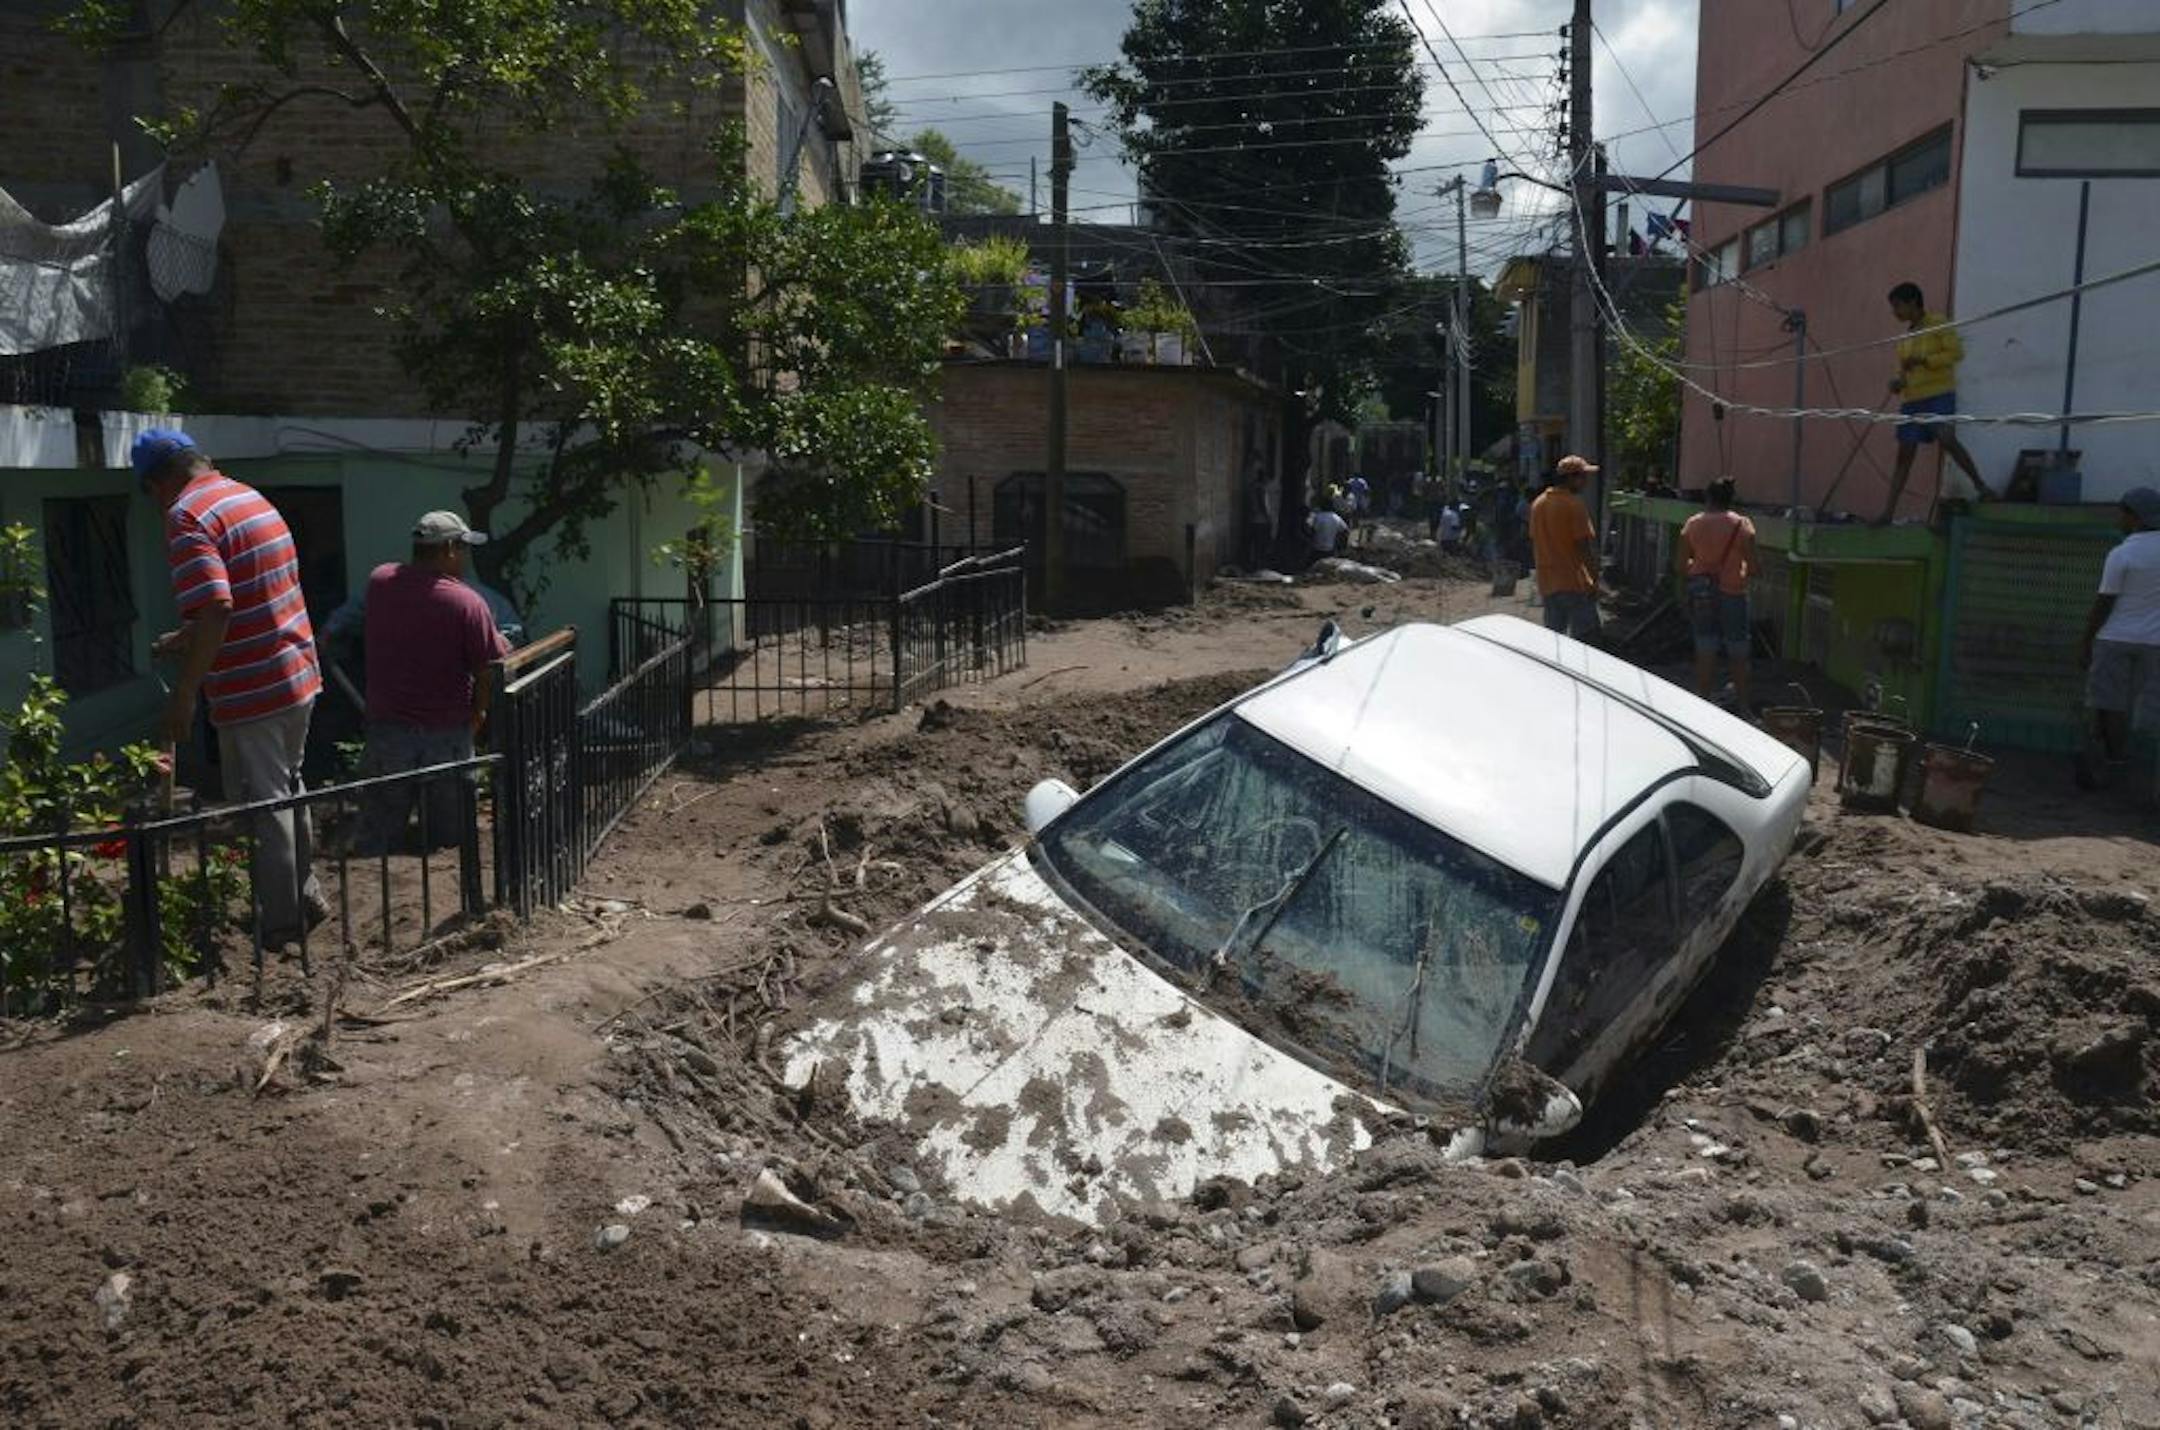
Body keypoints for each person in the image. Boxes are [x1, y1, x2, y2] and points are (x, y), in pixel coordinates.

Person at [138, 428, 327, 947]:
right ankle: (306, 893)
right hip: (296, 670)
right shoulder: (248, 496)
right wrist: (189, 635)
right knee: (289, 786)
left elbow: (220, 606)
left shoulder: (187, 517)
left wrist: (184, 695)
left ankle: (282, 925)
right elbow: (245, 593)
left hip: (254, 684)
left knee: (264, 806)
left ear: (158, 483)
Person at [356, 511, 513, 853]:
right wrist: (479, 713)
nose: (467, 558)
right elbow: (486, 668)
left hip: (387, 729)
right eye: (464, 549)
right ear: (449, 550)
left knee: (378, 835)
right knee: (450, 838)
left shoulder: (381, 583)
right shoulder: (466, 602)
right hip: (445, 731)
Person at [1880, 281, 1991, 524]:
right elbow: (1902, 374)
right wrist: (1897, 384)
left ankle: (1981, 486)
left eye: (1898, 306)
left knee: (1946, 438)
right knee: (1904, 456)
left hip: (1939, 394)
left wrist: (1924, 360)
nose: (1895, 312)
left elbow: (1955, 354)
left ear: (1912, 303)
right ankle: (1888, 512)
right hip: (1912, 400)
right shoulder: (1904, 340)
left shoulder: (1939, 324)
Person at [2075, 487, 2160, 791]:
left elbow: (2103, 603)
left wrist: (2086, 641)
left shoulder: (2122, 553)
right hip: (2155, 644)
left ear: (2133, 516)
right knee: (2149, 708)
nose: (2118, 518)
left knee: (2108, 704)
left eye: (2121, 513)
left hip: (2114, 638)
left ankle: (2116, 764)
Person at [1679, 477, 1757, 711]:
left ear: (1708, 498)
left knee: (1705, 645)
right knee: (1738, 649)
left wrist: (1699, 566)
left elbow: (1679, 565)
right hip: (1733, 592)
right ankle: (1744, 707)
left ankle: (1703, 701)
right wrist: (1740, 572)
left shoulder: (1692, 524)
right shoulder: (1742, 525)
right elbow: (1754, 567)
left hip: (1702, 593)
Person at [1530, 455, 1602, 639]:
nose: (1586, 482)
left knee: (1555, 640)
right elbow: (1583, 547)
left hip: (1547, 581)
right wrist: (1594, 579)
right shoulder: (1573, 505)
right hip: (1572, 582)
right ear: (1571, 478)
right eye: (1583, 477)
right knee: (1587, 638)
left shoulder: (1538, 504)